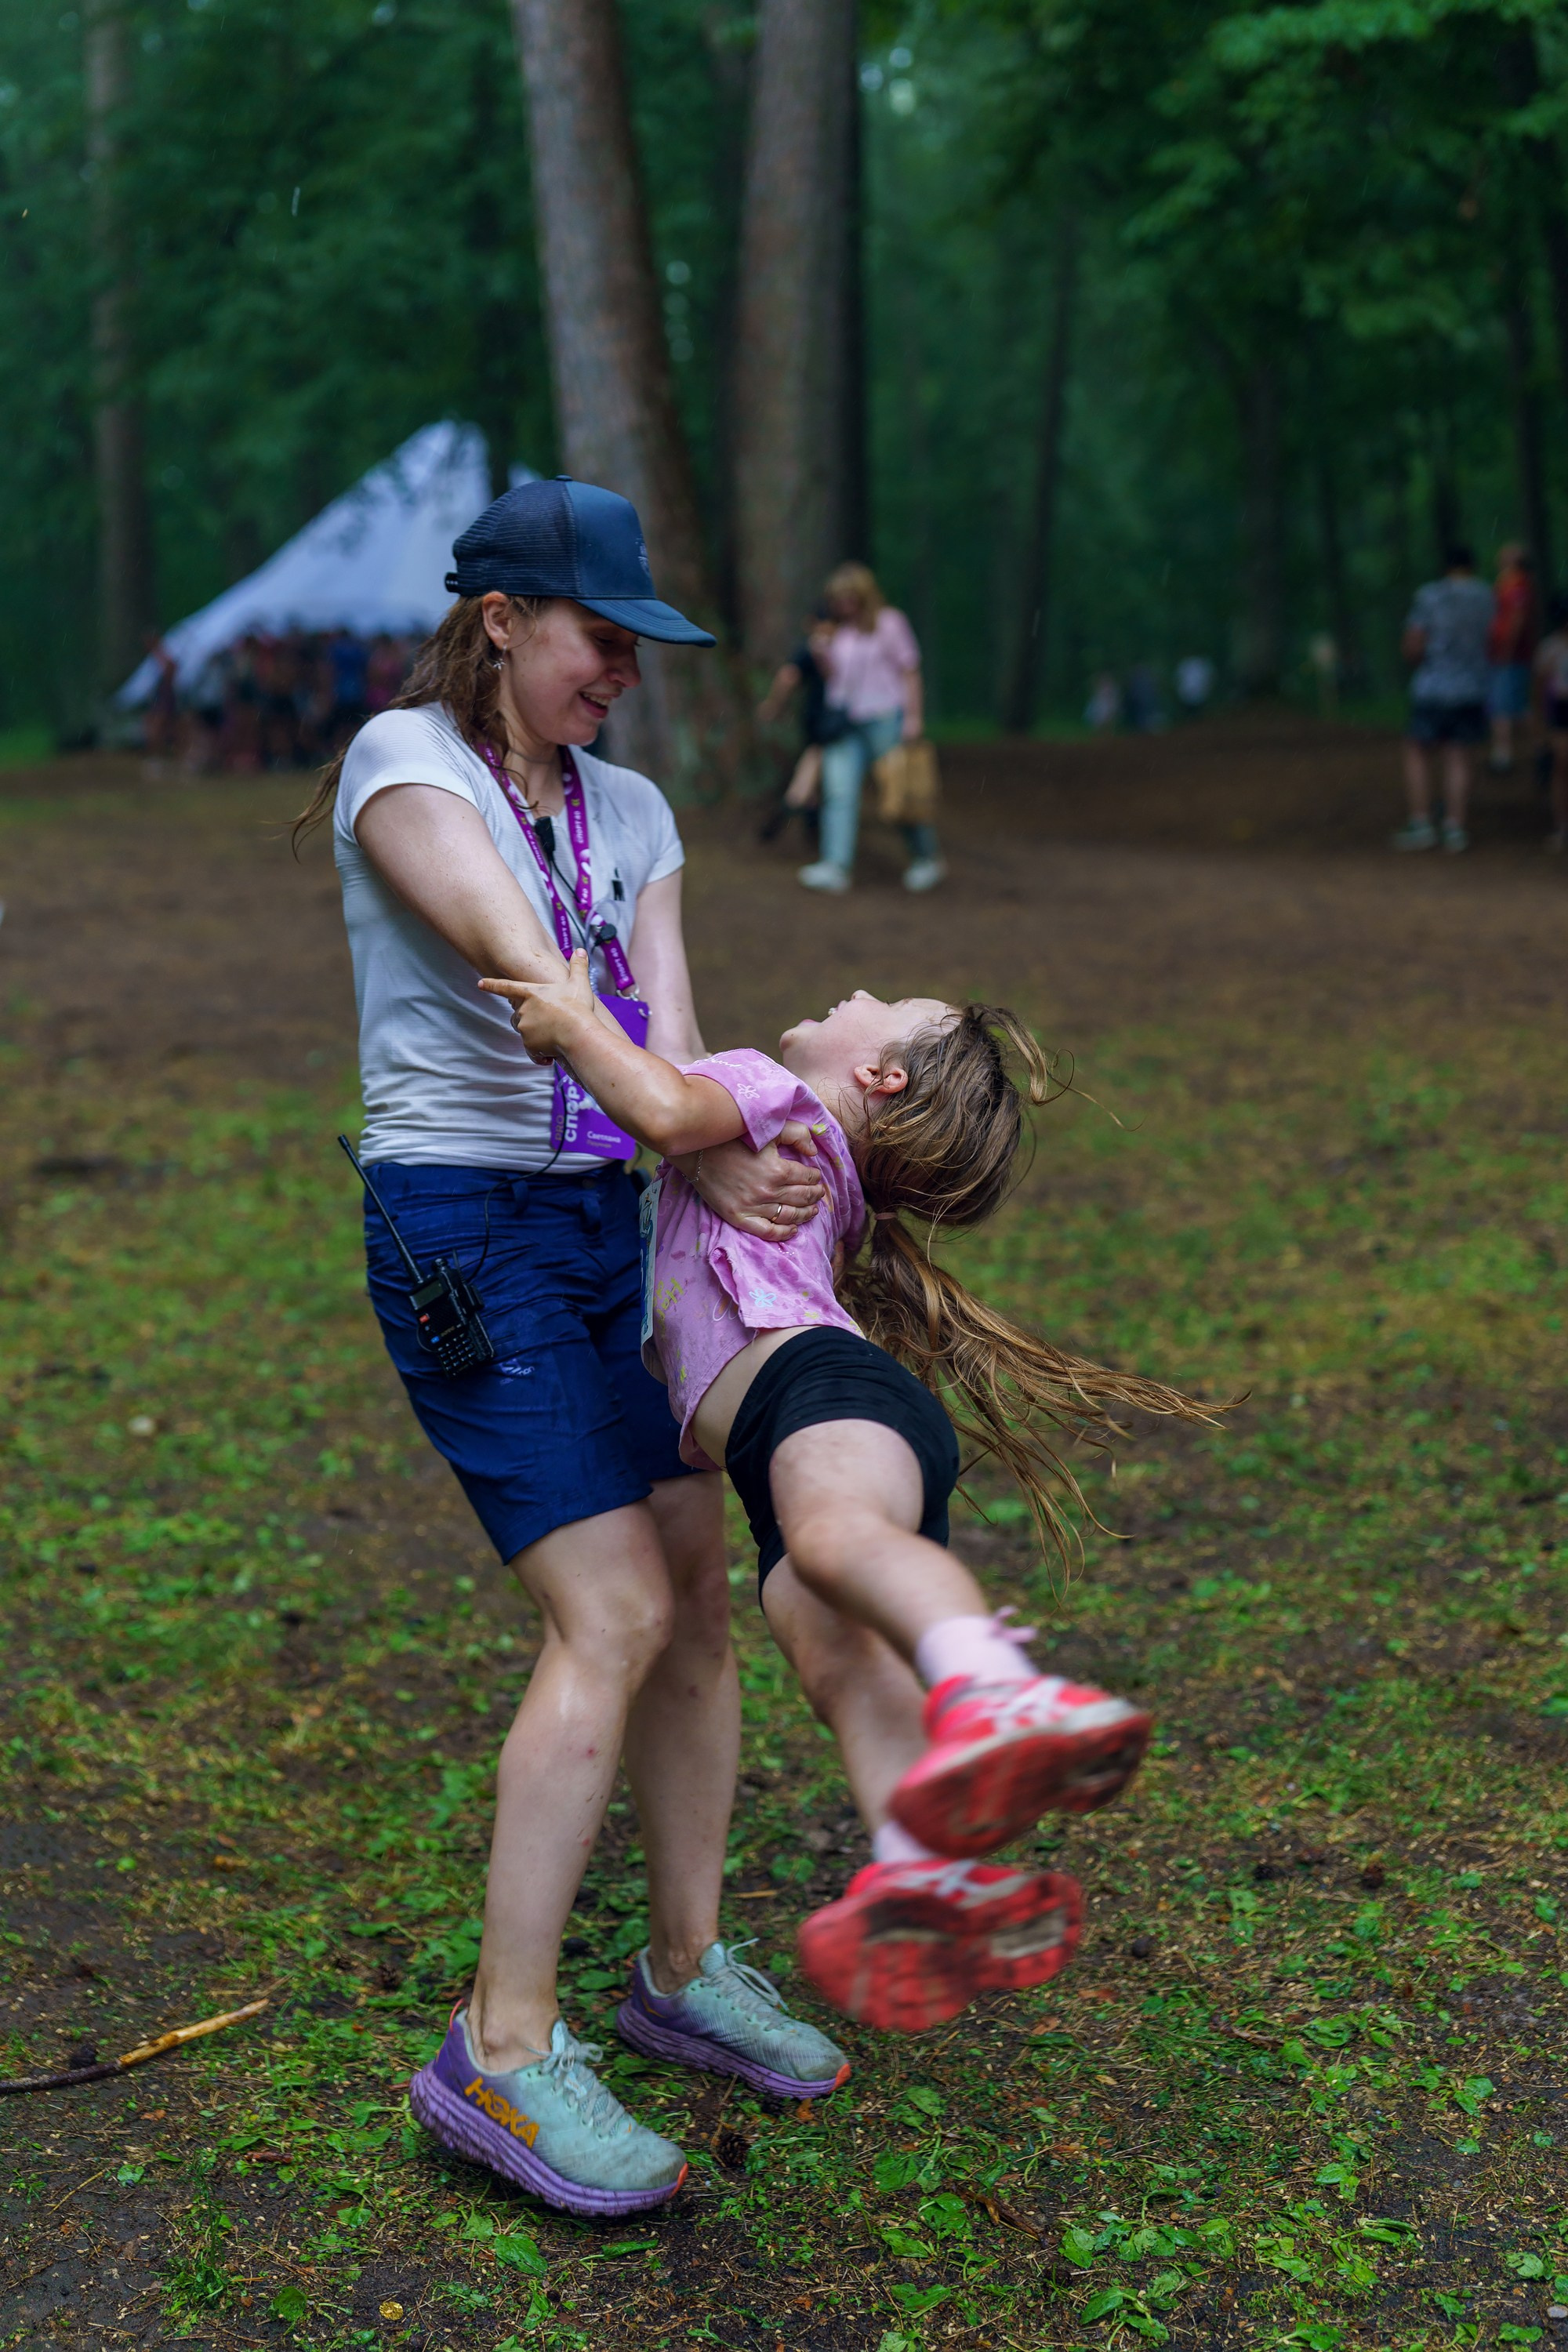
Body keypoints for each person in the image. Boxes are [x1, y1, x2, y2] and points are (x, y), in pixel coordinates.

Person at [293, 476, 848, 2220]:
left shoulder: (637, 808)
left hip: (605, 1226)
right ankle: (502, 2054)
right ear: (501, 622)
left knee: (691, 1580)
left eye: (636, 646)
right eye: (601, 640)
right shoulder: (406, 768)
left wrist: (739, 1140)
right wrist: (696, 1121)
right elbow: (523, 968)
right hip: (458, 1231)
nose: (623, 673)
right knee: (604, 1608)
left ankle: (679, 1969)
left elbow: (665, 1039)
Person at [479, 964, 1218, 2037]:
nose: (857, 989)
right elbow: (673, 1096)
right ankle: (930, 1874)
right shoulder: (823, 1179)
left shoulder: (766, 1098)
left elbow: (661, 1105)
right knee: (845, 1674)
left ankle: (992, 1682)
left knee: (836, 1541)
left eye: (884, 1006)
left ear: (875, 1074)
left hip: (817, 1399)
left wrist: (571, 1022)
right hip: (808, 1433)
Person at [799, 563, 944, 895]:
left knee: (901, 790)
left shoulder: (890, 623)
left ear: (864, 596)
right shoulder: (837, 632)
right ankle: (836, 866)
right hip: (844, 722)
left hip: (883, 718)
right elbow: (834, 679)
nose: (843, 605)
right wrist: (821, 655)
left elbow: (909, 671)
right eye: (838, 599)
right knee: (839, 792)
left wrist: (913, 718)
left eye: (849, 598)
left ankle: (926, 858)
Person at [1393, 544, 1495, 854]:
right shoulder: (1486, 596)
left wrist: (1416, 661)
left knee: (1417, 751)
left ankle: (1422, 823)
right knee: (1459, 755)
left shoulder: (1429, 595)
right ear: (1472, 566)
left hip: (1432, 686)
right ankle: (1455, 827)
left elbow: (1414, 643)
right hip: (1472, 686)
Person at [755, 607, 837, 847]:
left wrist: (774, 705)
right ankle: (778, 824)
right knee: (807, 779)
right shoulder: (819, 648)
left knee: (813, 780)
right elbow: (788, 676)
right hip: (826, 723)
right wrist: (774, 704)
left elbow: (788, 677)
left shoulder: (825, 647)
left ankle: (809, 831)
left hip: (819, 721)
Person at [1486, 543, 1537, 774]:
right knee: (1516, 705)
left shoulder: (1517, 584)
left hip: (1510, 656)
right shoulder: (1507, 583)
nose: (1502, 553)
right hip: (1508, 655)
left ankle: (1503, 755)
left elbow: (1517, 619)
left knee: (1502, 706)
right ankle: (1539, 750)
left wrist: (1506, 649)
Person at [1532, 591, 1568, 851]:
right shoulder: (1551, 648)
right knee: (1562, 768)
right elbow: (1540, 690)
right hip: (1561, 712)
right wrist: (1540, 727)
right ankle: (1562, 827)